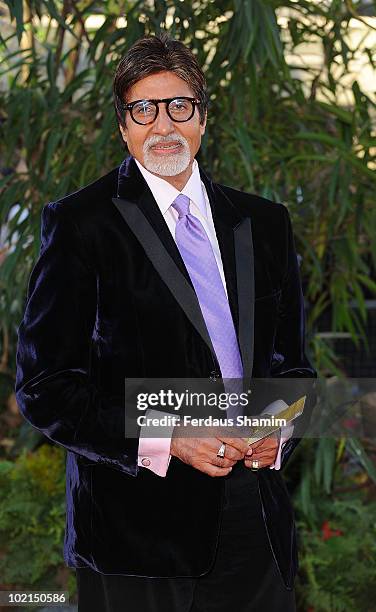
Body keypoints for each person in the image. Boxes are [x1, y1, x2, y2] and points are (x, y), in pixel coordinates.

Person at [15, 33, 316, 612]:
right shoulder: (81, 225)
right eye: (143, 109)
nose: (163, 125)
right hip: (136, 532)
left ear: (202, 116)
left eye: (178, 105)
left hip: (255, 514)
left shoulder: (264, 223)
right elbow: (45, 387)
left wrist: (280, 428)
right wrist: (171, 436)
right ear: (123, 127)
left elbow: (293, 367)